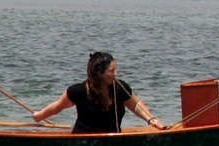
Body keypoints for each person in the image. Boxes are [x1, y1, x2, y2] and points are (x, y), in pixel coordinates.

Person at [32, 51, 166, 133]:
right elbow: (58, 106)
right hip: (83, 141)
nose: (116, 74)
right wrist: (40, 115)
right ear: (99, 73)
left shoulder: (119, 87)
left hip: (113, 140)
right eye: (112, 71)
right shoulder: (79, 91)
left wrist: (151, 120)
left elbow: (135, 105)